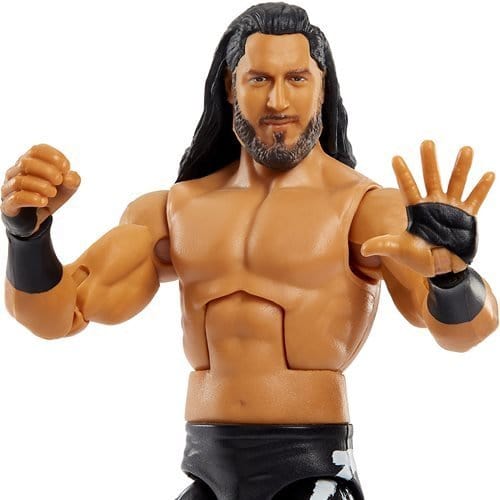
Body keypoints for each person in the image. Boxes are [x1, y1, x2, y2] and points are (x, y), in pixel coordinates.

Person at [1, 3, 497, 499]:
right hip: (207, 470)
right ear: (229, 86)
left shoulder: (363, 209)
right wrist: (28, 239)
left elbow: (465, 333)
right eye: (259, 79)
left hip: (312, 472)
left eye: (297, 78)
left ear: (323, 87)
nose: (278, 101)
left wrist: (450, 278)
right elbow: (60, 314)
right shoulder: (174, 210)